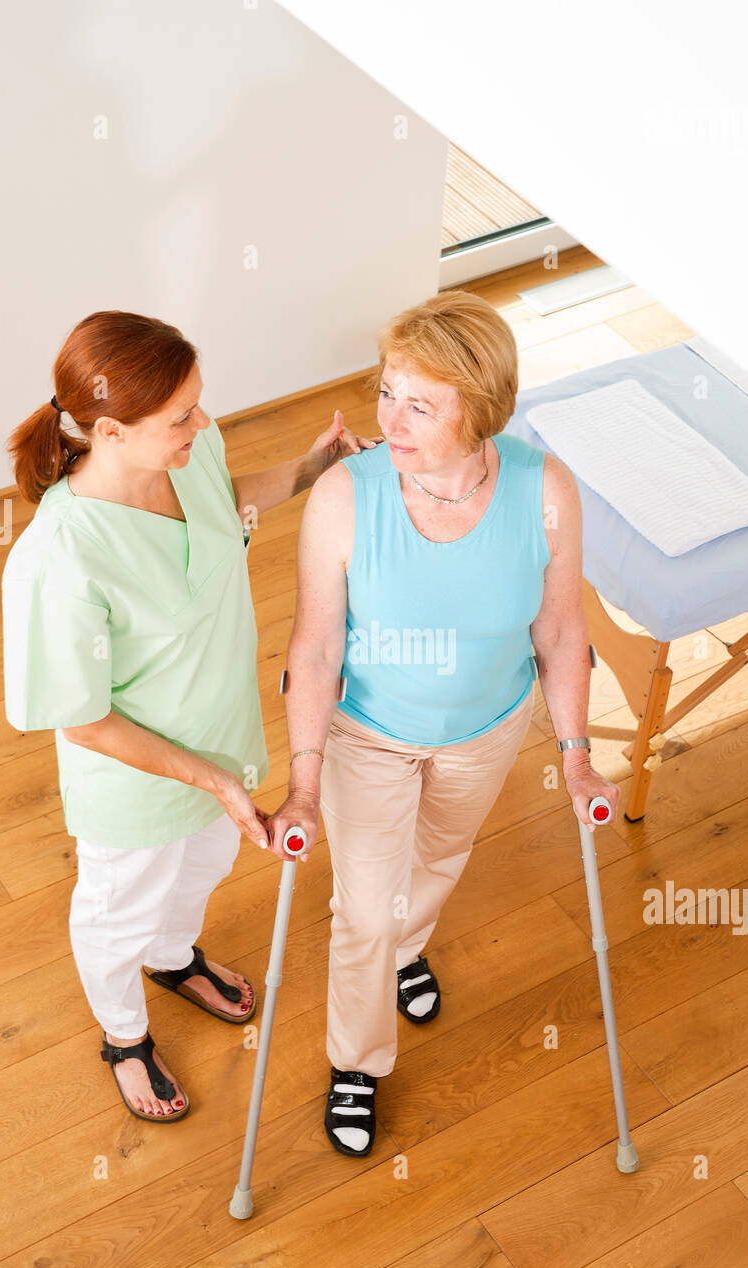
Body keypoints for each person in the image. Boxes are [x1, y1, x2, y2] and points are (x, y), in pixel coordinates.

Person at [263, 288, 621, 1157]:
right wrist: (303, 785)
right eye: (388, 392)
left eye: (421, 404)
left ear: (482, 408)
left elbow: (562, 628)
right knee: (363, 910)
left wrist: (575, 758)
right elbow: (312, 651)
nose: (393, 418)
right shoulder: (347, 498)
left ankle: (406, 944)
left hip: (488, 726)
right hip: (369, 732)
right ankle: (357, 1060)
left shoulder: (546, 491)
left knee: (437, 858)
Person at [1, 309, 379, 1123]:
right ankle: (124, 1036)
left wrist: (311, 467)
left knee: (202, 873)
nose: (203, 423)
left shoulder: (191, 450)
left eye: (198, 403)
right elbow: (83, 719)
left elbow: (225, 503)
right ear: (111, 430)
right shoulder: (58, 559)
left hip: (226, 743)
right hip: (136, 785)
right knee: (119, 910)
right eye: (182, 415)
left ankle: (174, 962)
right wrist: (207, 779)